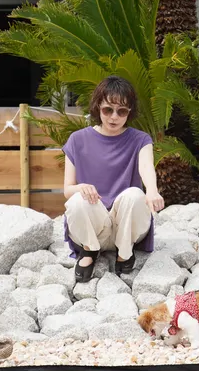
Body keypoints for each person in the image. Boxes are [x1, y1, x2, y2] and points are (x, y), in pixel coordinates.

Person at [61, 76, 165, 282]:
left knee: (135, 194)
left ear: (129, 112)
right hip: (92, 225)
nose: (114, 117)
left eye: (121, 111)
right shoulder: (77, 140)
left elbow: (146, 167)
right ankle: (89, 249)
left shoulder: (141, 139)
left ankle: (124, 253)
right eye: (108, 109)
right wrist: (82, 187)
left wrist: (152, 191)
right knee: (77, 199)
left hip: (126, 227)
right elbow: (67, 190)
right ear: (97, 107)